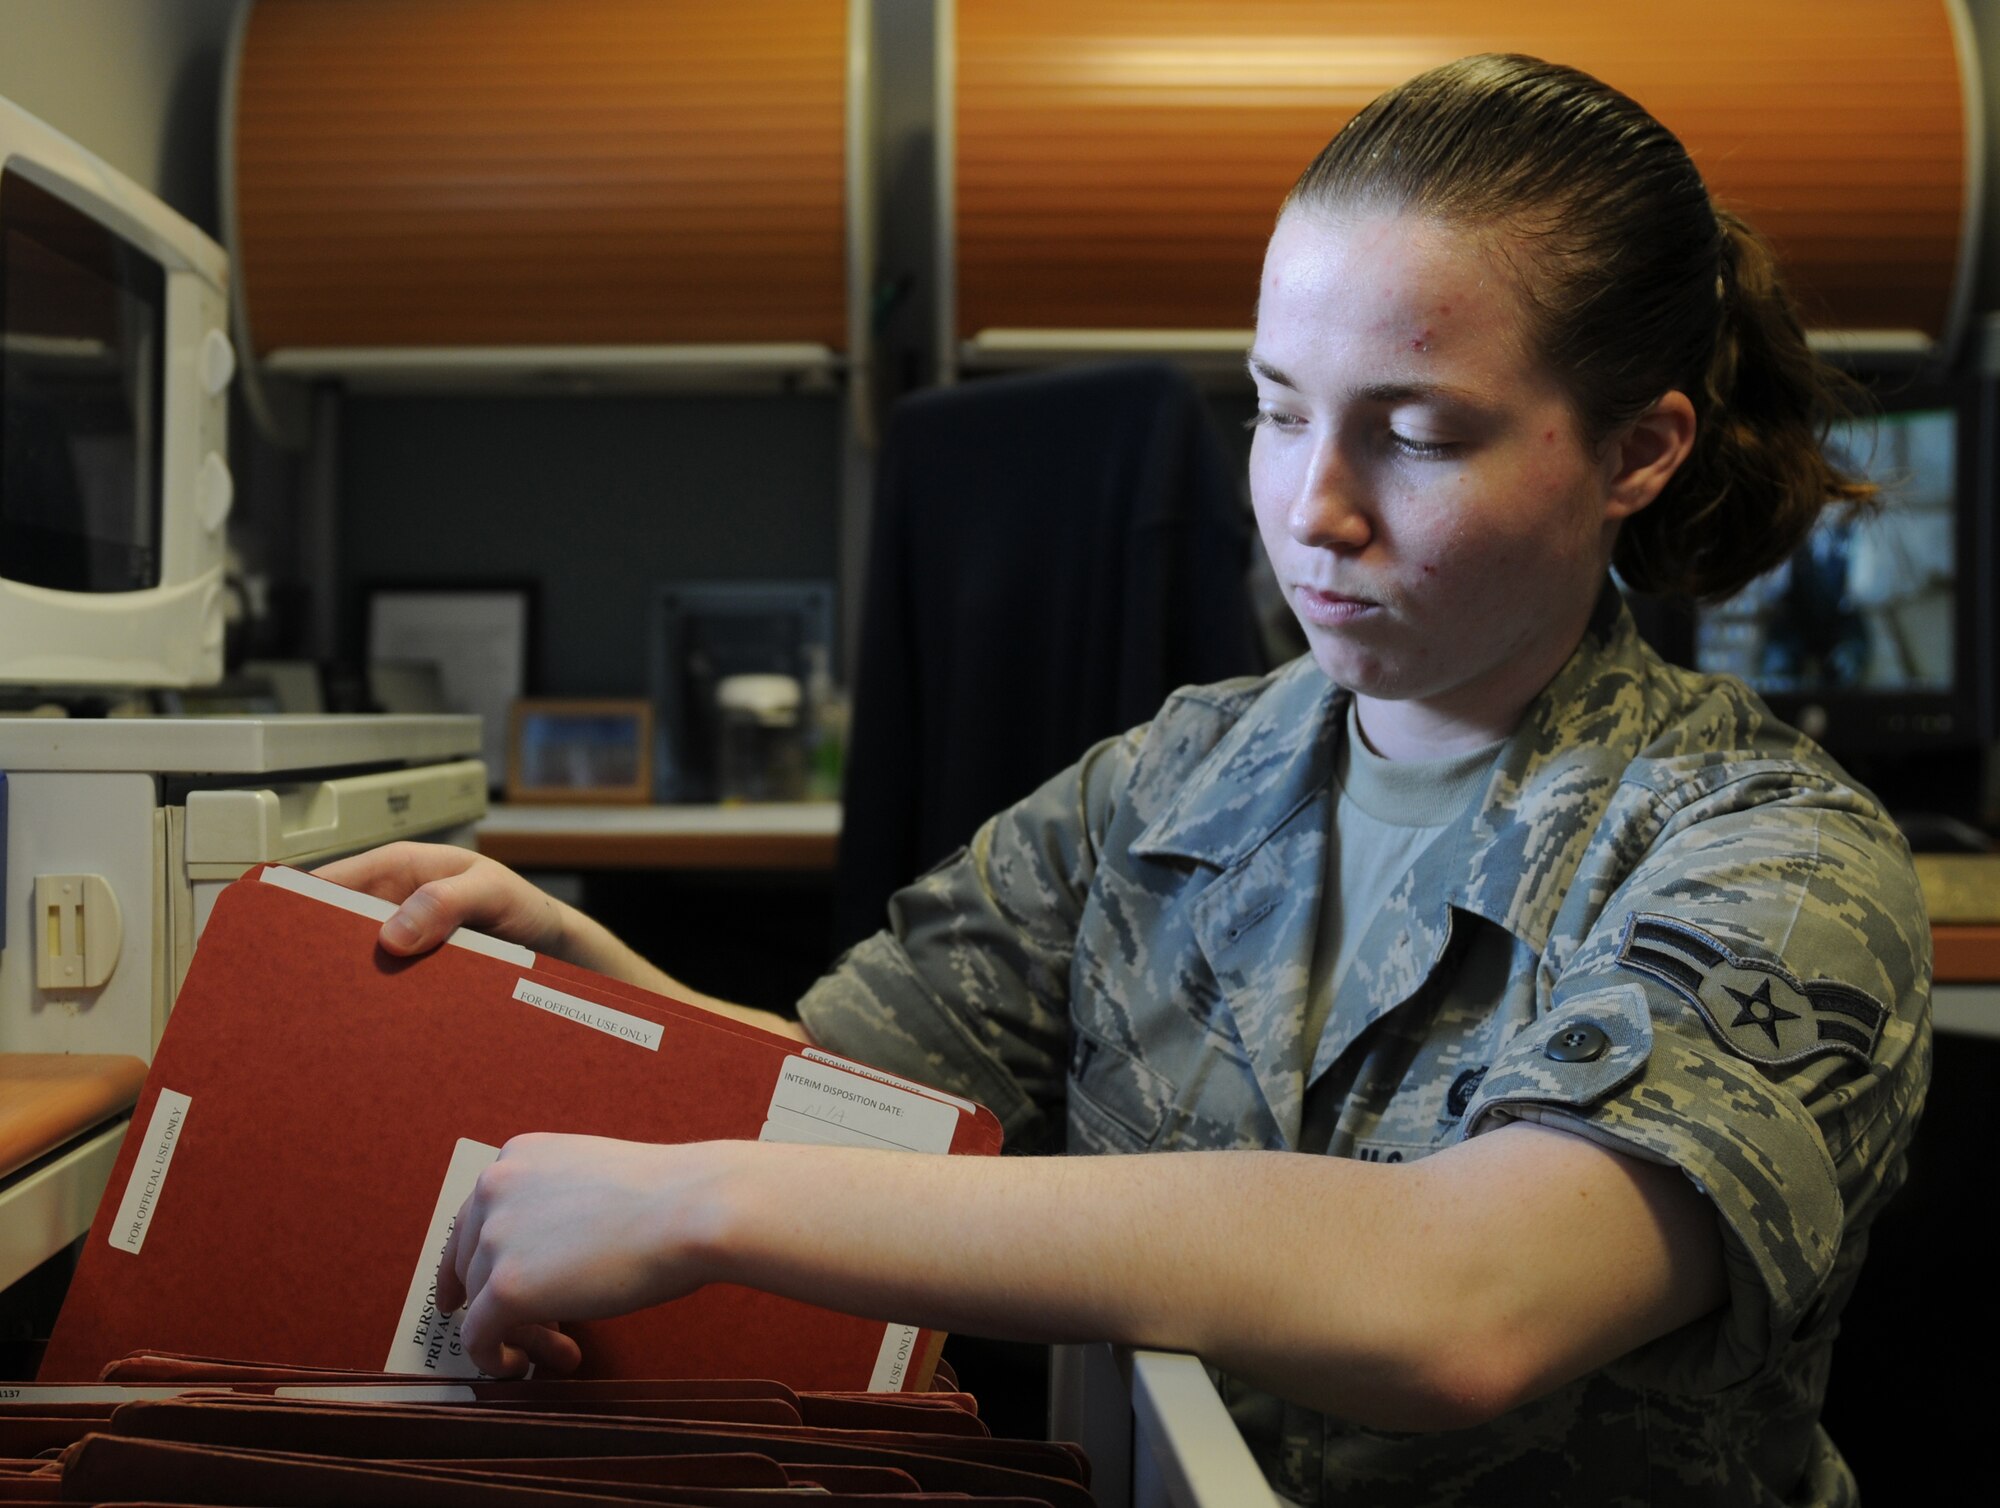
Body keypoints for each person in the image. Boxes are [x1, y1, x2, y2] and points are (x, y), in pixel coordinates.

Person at [318, 55, 1930, 1507]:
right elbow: (846, 1117)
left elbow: (1462, 1301)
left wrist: (706, 1203)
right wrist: (598, 984)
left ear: (1639, 452)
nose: (1313, 510)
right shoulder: (1174, 778)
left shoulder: (1779, 861)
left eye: (1420, 435)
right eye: (1277, 411)